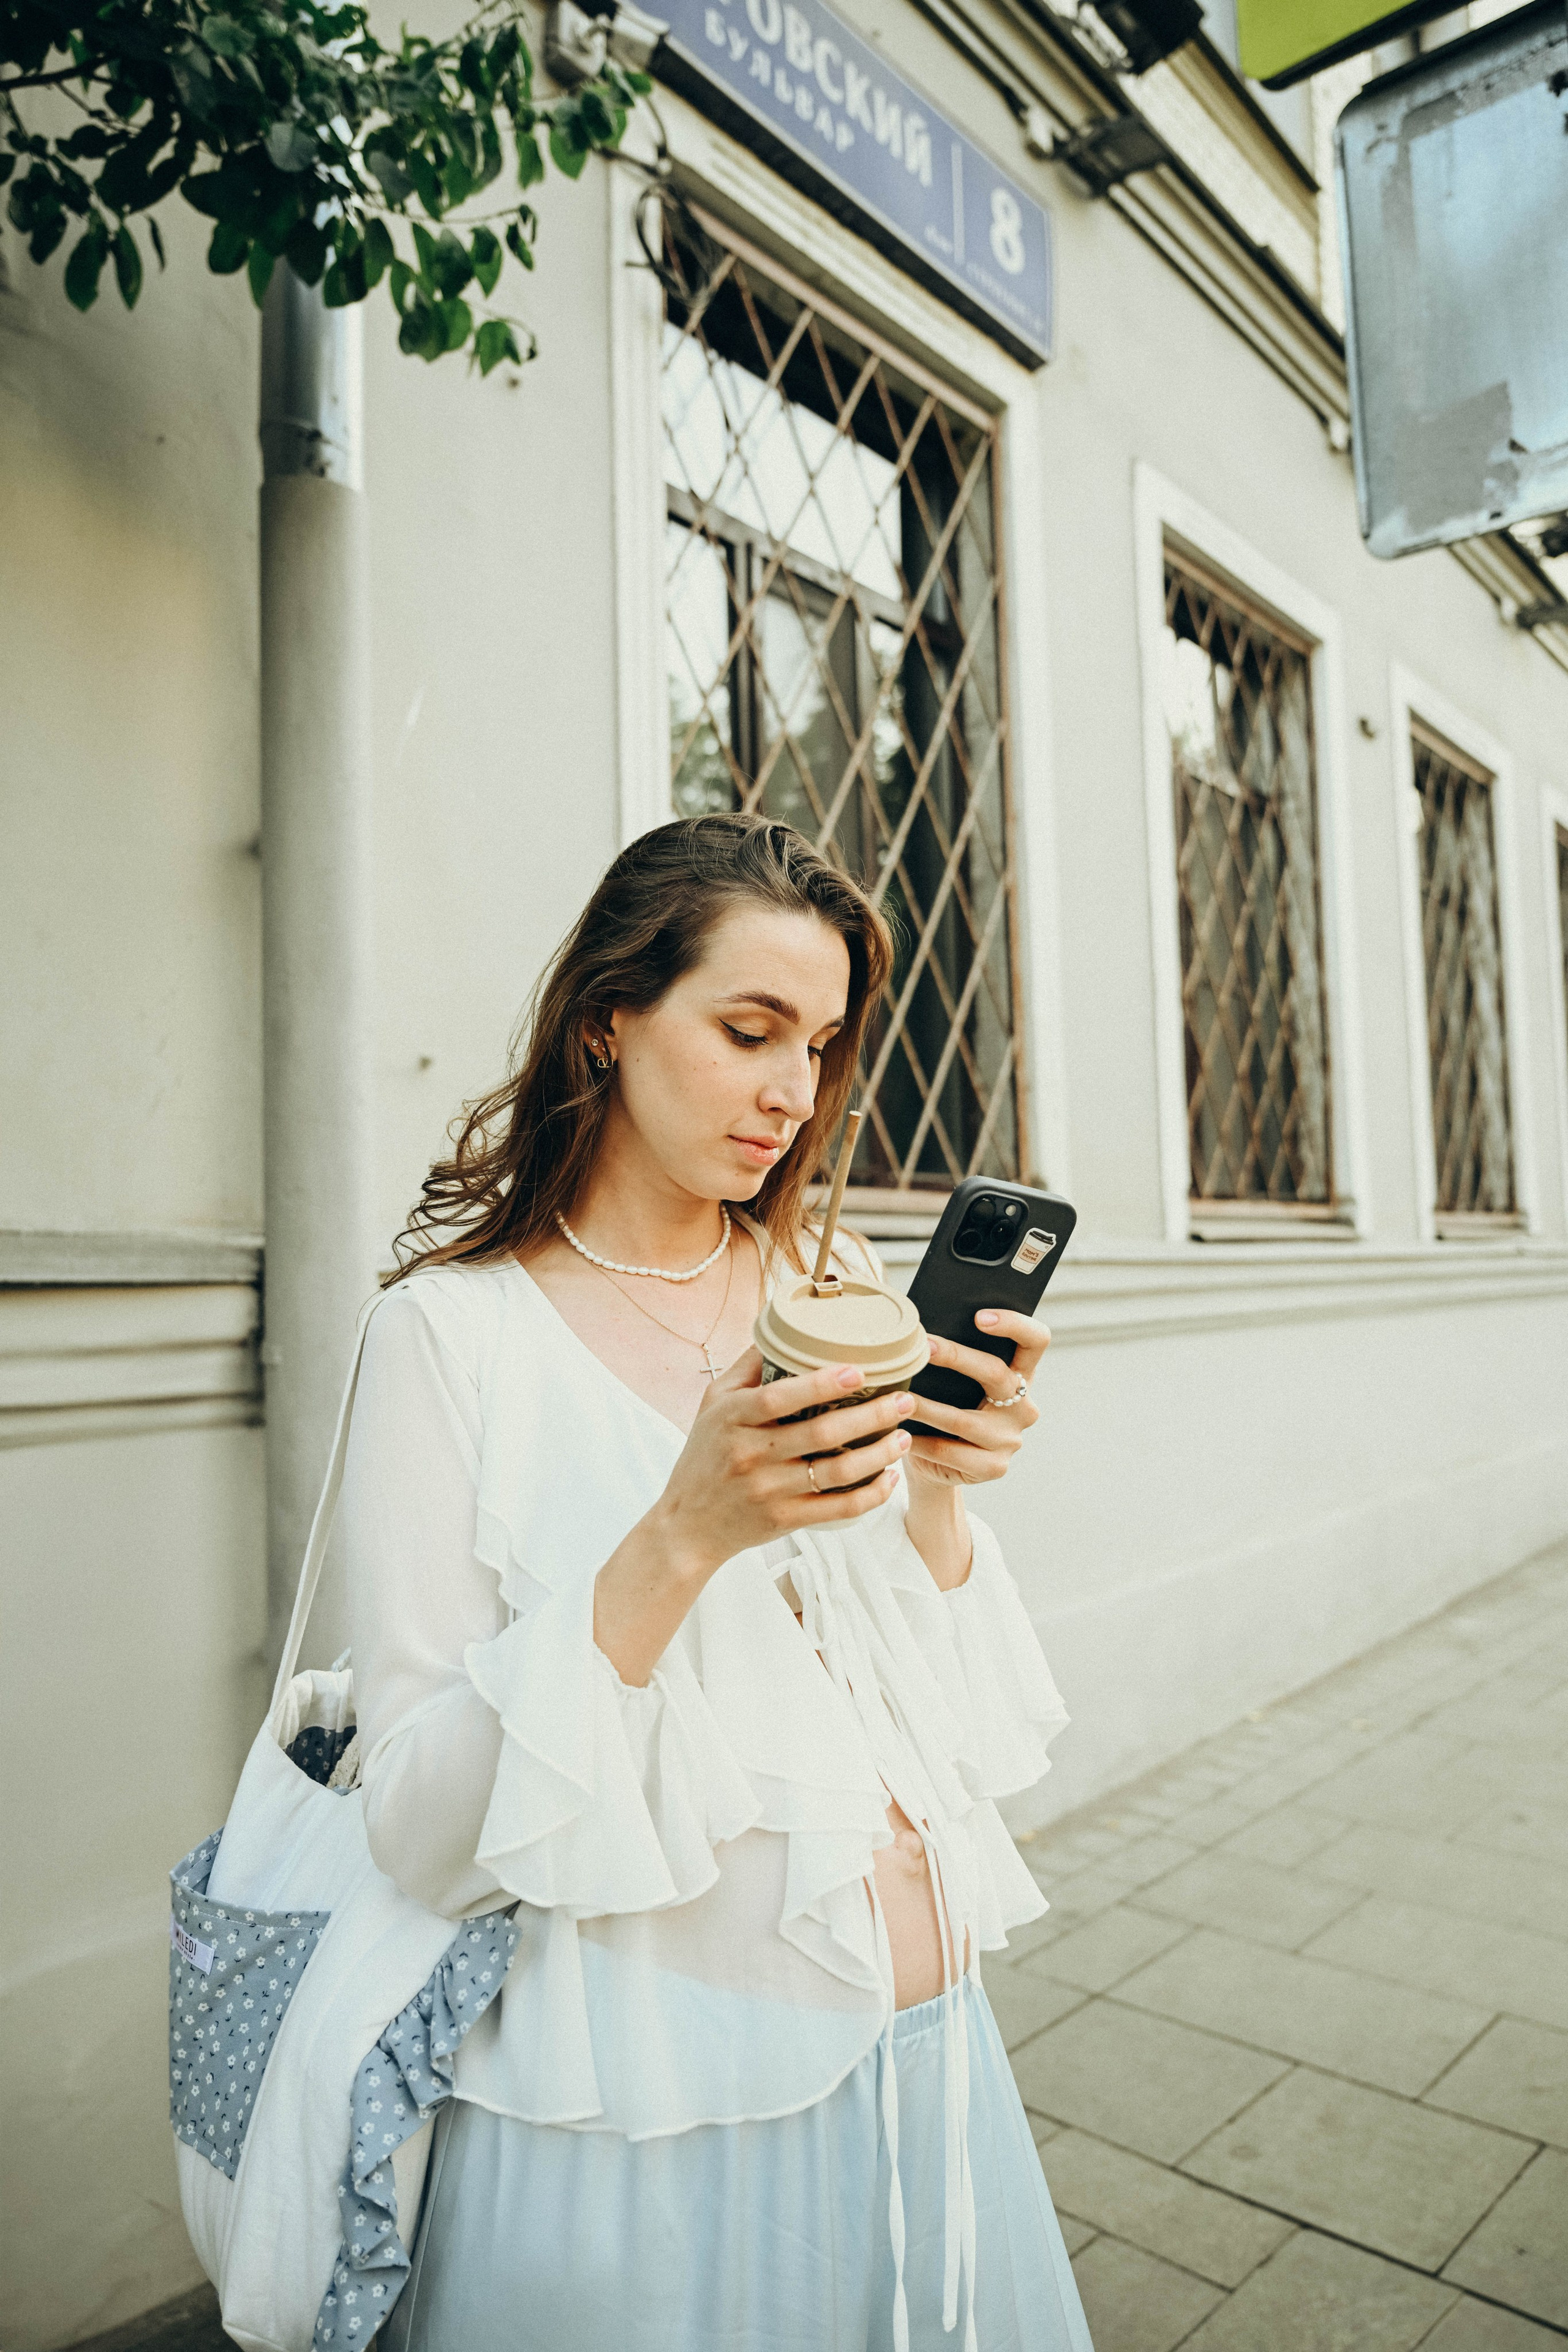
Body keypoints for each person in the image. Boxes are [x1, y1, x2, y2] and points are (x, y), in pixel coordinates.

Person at [345, 813, 1093, 2351]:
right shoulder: (451, 1339)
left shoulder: (839, 1292)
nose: (789, 1095)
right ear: (608, 1020)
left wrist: (943, 1490)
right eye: (747, 1030)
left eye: (817, 1046)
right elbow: (421, 1828)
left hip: (924, 2072)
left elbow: (935, 1717)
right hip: (656, 2111)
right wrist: (680, 1535)